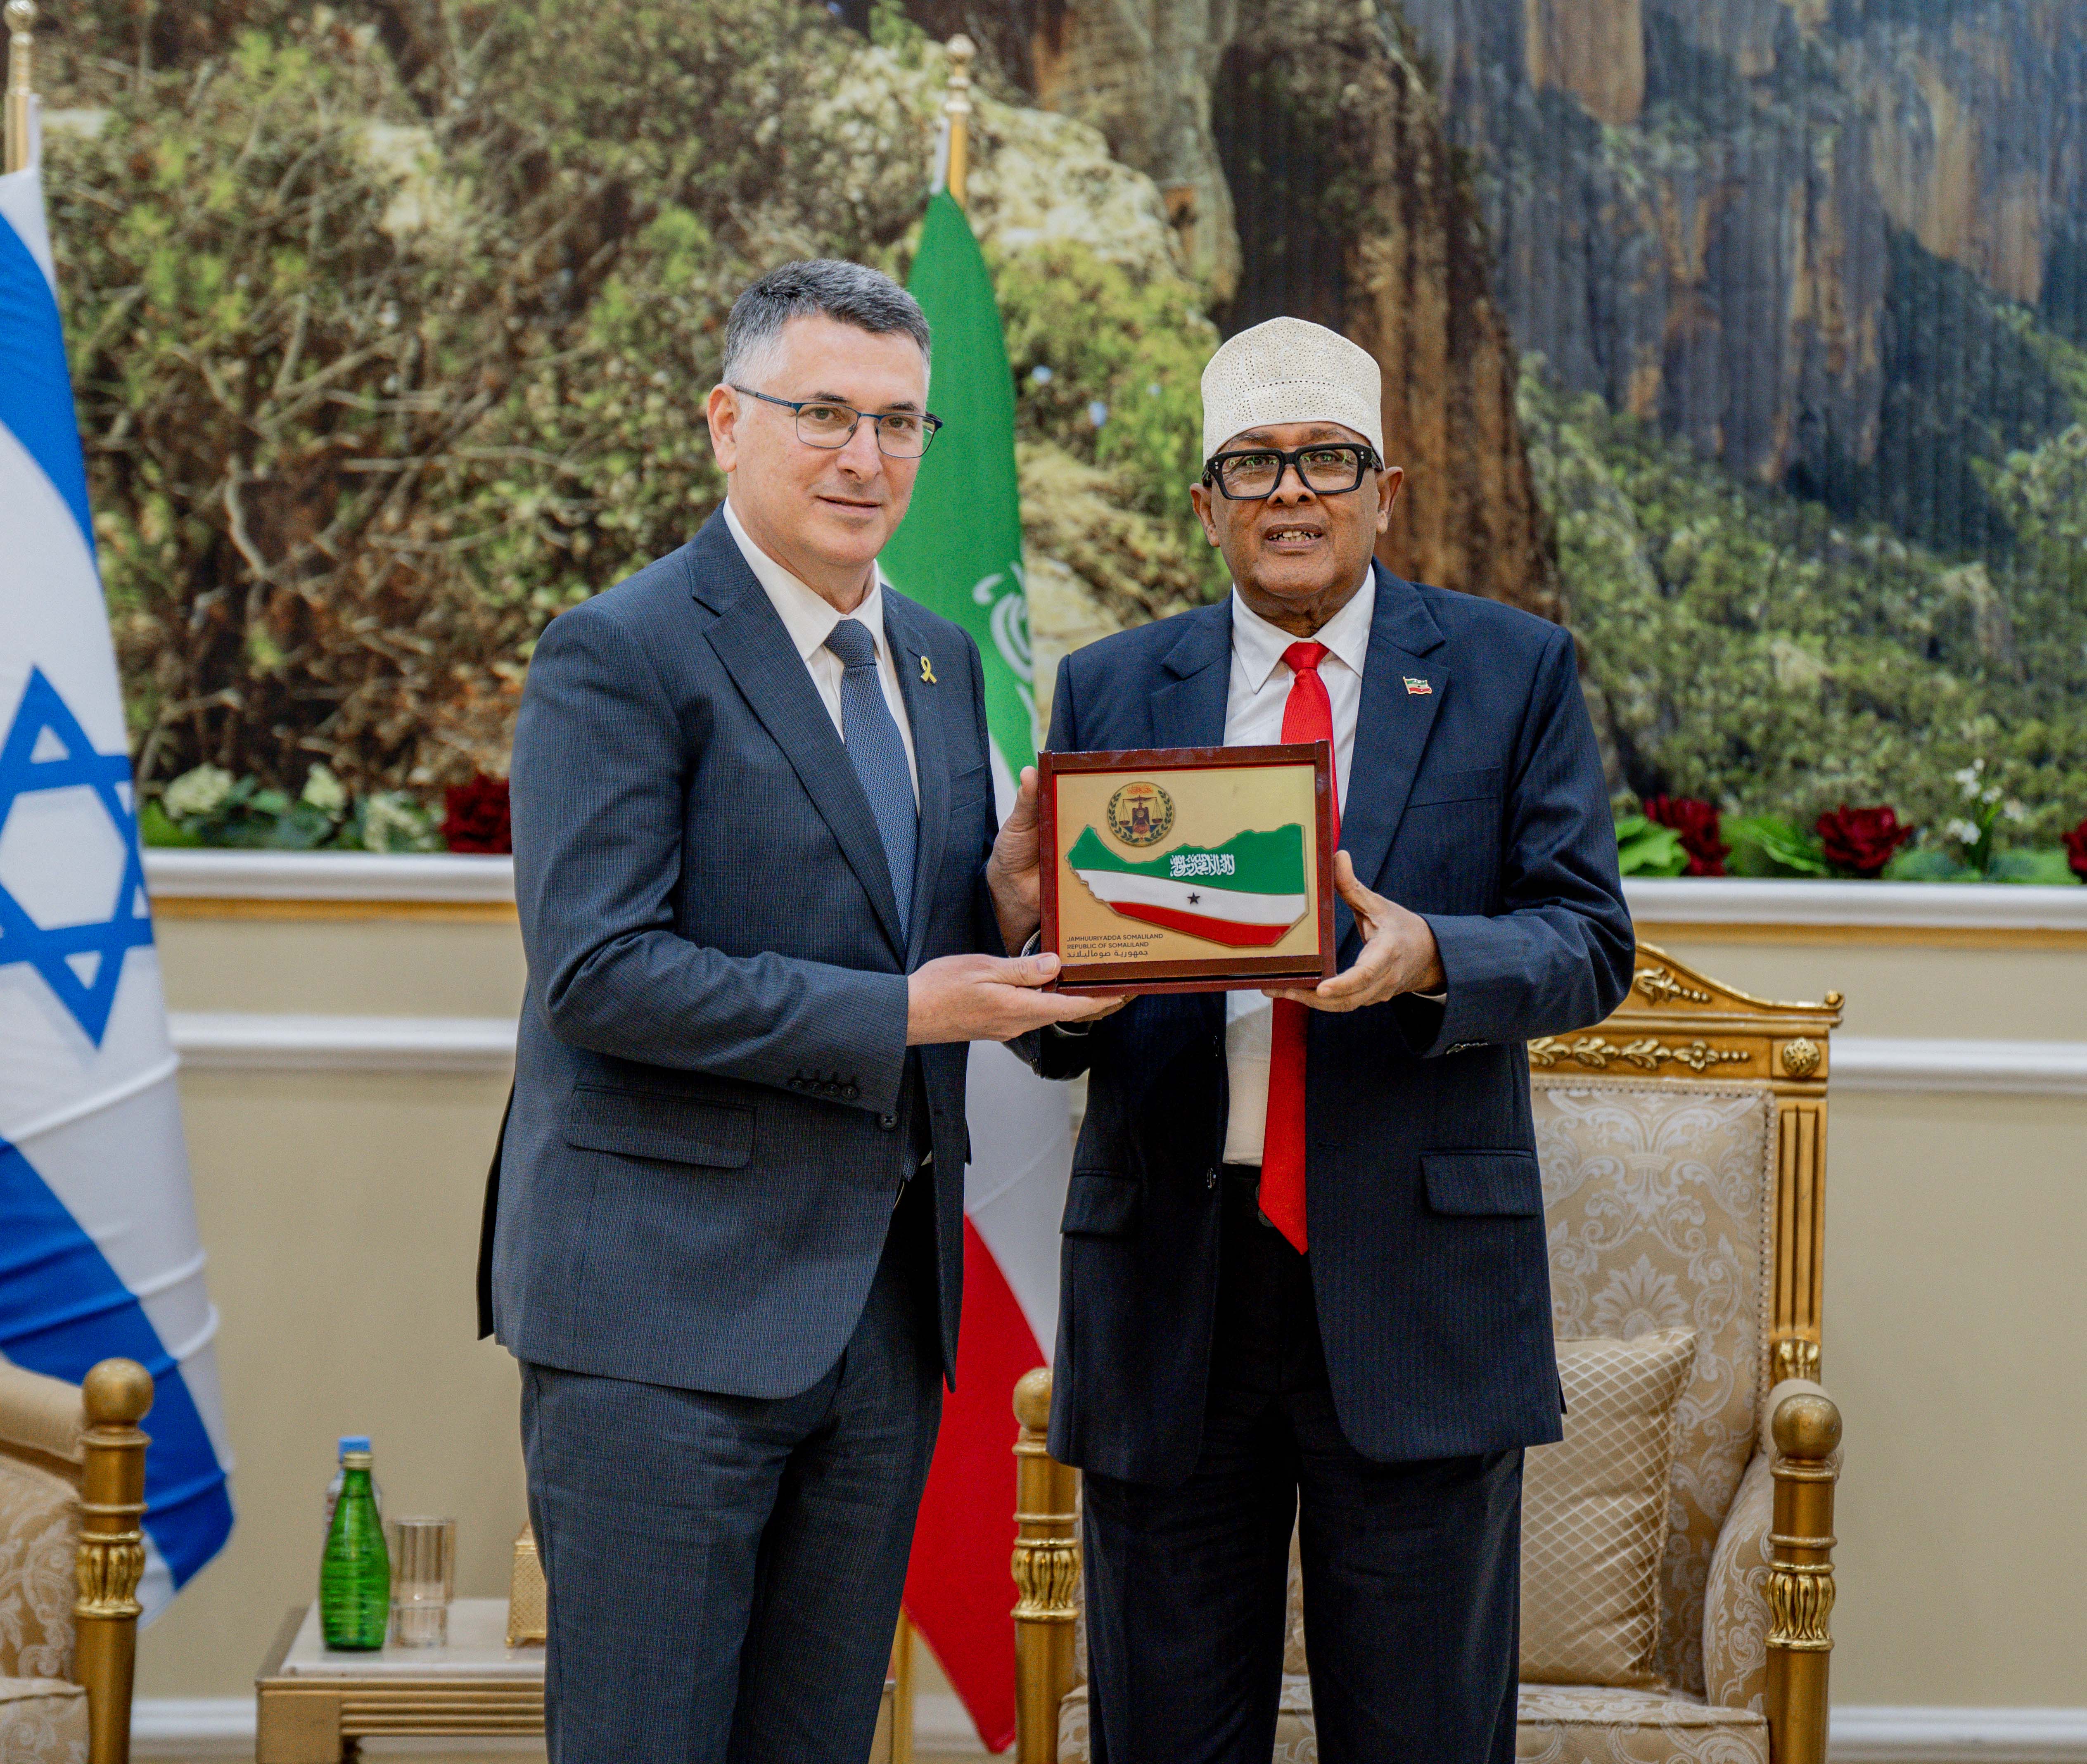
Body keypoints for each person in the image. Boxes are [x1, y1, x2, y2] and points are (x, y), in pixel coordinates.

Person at [477, 259, 1112, 1764]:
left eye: (898, 424)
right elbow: (599, 972)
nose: (864, 457)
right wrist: (904, 1010)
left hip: (882, 1321)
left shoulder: (939, 661)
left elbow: (922, 957)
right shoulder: (619, 651)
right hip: (659, 1320)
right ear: (727, 420)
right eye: (823, 413)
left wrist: (1013, 914)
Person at [1025, 316, 1634, 1762]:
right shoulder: (1109, 686)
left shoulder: (1513, 669)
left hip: (1420, 1292)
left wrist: (1436, 959)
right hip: (1173, 1283)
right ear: (1208, 505)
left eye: (1327, 461)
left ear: (1386, 491)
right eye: (1253, 465)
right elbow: (1057, 1022)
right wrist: (1048, 964)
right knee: (1165, 1734)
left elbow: (1587, 941)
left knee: (1423, 1735)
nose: (1291, 492)